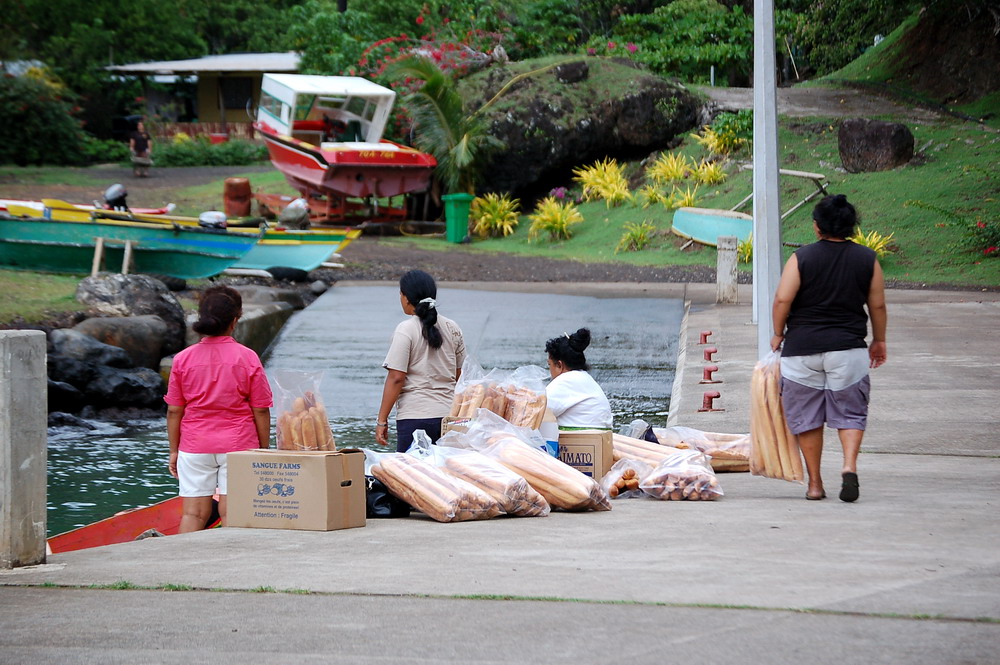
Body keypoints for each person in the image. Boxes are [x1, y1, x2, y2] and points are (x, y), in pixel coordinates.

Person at [771, 194, 887, 503]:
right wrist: (879, 340)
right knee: (850, 412)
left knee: (807, 417)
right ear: (852, 227)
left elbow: (783, 299)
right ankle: (849, 466)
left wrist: (777, 333)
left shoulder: (801, 258)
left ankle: (815, 484)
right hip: (849, 350)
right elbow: (877, 304)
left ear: (816, 226)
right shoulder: (867, 259)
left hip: (802, 350)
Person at [165, 286, 272, 532]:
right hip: (238, 445)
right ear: (234, 321)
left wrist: (174, 451)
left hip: (194, 444)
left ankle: (184, 565)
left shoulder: (182, 359)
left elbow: (174, 411)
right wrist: (262, 450)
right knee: (233, 513)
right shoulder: (247, 358)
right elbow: (261, 410)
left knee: (192, 514)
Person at [376, 270, 466, 452]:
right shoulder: (452, 328)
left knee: (412, 477)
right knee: (446, 477)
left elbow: (396, 378)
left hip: (414, 418)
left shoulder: (406, 329)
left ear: (407, 298)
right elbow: (461, 376)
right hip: (450, 418)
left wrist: (381, 421)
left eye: (400, 294)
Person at [544, 328, 613, 430]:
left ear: (559, 365)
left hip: (581, 440)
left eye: (549, 365)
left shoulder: (564, 381)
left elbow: (537, 413)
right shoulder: (585, 378)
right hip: (599, 438)